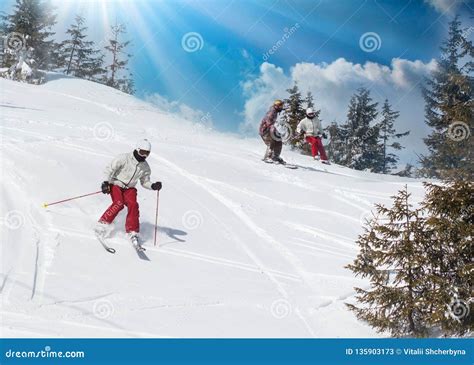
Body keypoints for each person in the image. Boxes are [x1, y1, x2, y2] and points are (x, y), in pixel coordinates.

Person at [96, 139, 162, 246]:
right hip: (116, 184)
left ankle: (133, 232)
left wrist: (153, 186)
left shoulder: (145, 167)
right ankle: (102, 224)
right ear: (137, 149)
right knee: (119, 203)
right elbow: (109, 169)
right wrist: (105, 183)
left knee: (133, 205)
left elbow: (145, 182)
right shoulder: (124, 158)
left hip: (130, 189)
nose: (144, 155)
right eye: (142, 152)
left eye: (147, 153)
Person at [259, 99, 286, 164]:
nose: (282, 108)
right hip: (265, 130)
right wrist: (275, 130)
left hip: (269, 130)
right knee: (271, 142)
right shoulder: (272, 112)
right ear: (277, 106)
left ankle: (275, 156)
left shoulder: (275, 111)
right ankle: (267, 157)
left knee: (278, 141)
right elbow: (269, 122)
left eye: (282, 106)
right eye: (281, 106)